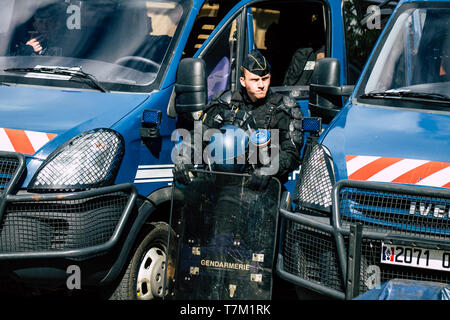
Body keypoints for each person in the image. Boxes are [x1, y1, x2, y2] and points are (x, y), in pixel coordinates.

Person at [173, 49, 304, 190]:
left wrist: (269, 169)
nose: (261, 85)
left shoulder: (283, 108)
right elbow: (199, 134)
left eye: (265, 79)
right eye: (255, 80)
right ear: (243, 81)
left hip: (260, 189)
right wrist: (184, 157)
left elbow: (291, 153)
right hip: (218, 185)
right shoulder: (224, 102)